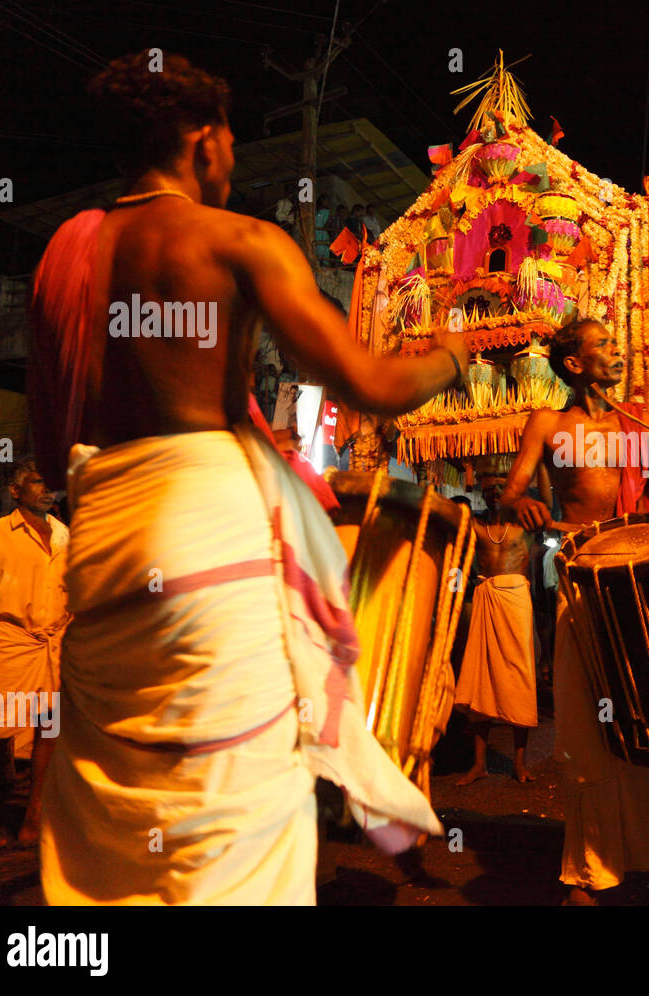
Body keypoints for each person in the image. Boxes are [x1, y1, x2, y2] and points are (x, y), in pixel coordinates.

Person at [27, 52, 470, 904]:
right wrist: (451, 356)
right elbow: (371, 385)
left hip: (106, 551)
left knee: (125, 829)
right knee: (233, 822)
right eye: (228, 141)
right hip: (210, 556)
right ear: (202, 141)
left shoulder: (67, 252)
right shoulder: (240, 243)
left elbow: (53, 458)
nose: (231, 160)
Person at [500, 317, 649, 905]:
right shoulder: (548, 423)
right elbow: (512, 492)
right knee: (585, 722)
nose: (616, 355)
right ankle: (591, 869)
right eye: (603, 347)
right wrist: (526, 507)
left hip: (635, 579)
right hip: (578, 572)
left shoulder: (636, 425)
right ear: (572, 364)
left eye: (615, 346)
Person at [0, 462, 67, 853]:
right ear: (16, 491)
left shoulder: (65, 535)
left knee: (48, 731)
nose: (47, 490)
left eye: (51, 483)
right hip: (7, 641)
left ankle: (33, 817)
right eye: (38, 482)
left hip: (53, 644)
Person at [455, 475, 540, 786]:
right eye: (489, 490)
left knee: (519, 676)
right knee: (481, 678)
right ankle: (479, 764)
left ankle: (519, 762)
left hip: (515, 597)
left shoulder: (525, 525)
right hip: (486, 597)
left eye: (501, 490)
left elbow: (544, 500)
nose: (494, 496)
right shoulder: (476, 527)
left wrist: (543, 462)